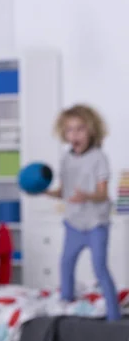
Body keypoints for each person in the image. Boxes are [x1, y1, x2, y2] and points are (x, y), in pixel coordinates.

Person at [44, 104, 120, 321]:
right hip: (73, 223)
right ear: (63, 133)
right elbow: (64, 192)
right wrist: (46, 192)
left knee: (99, 267)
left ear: (91, 131)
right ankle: (66, 306)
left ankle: (113, 316)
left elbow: (103, 194)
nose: (74, 134)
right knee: (66, 263)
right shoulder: (65, 159)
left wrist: (86, 196)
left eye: (80, 129)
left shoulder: (99, 157)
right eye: (69, 130)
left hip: (96, 224)